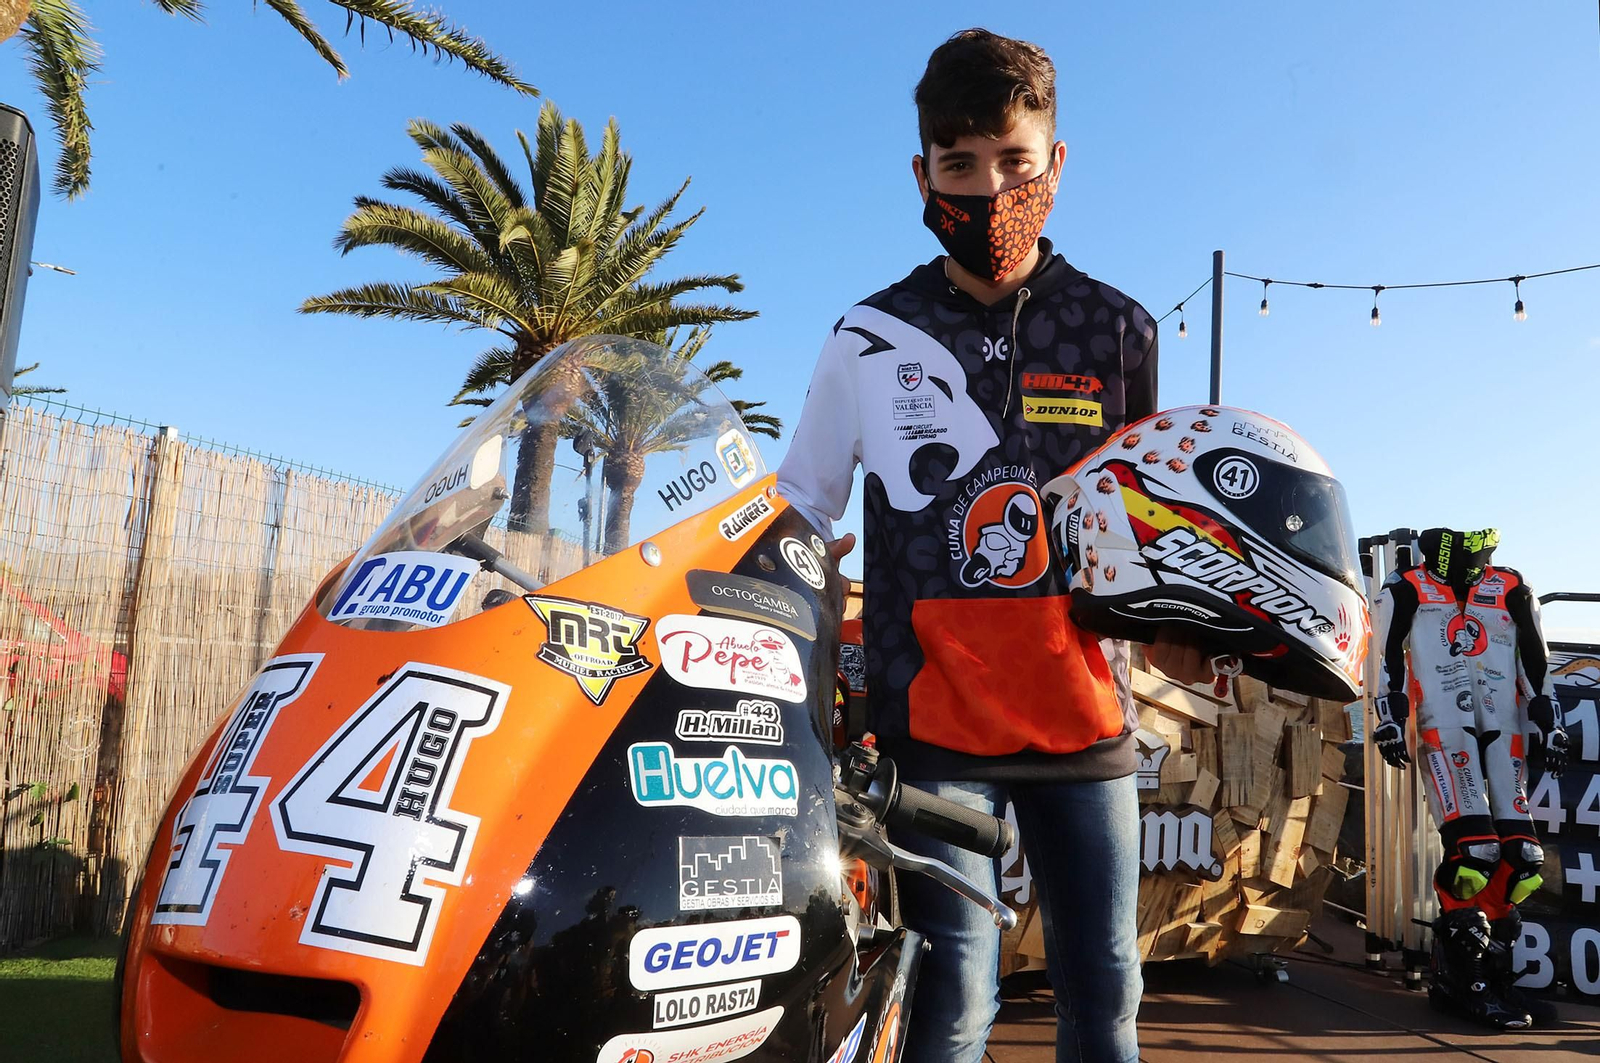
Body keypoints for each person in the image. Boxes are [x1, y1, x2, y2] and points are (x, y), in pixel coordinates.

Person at [776, 28, 1207, 1063]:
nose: (989, 189)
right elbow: (800, 512)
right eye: (960, 165)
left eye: (1014, 161)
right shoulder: (867, 336)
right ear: (921, 174)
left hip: (1085, 717)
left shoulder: (1121, 331)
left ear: (1055, 164)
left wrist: (1194, 635)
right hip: (932, 727)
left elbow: (1147, 525)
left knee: (1105, 991)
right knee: (952, 997)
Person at [1371, 527, 1569, 1029]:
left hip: (1506, 727)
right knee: (1474, 852)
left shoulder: (1511, 588)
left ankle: (1494, 978)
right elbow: (1386, 657)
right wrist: (1387, 718)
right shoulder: (1405, 587)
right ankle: (1467, 983)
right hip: (1443, 728)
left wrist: (1552, 721)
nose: (1479, 562)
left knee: (1523, 860)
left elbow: (1536, 659)